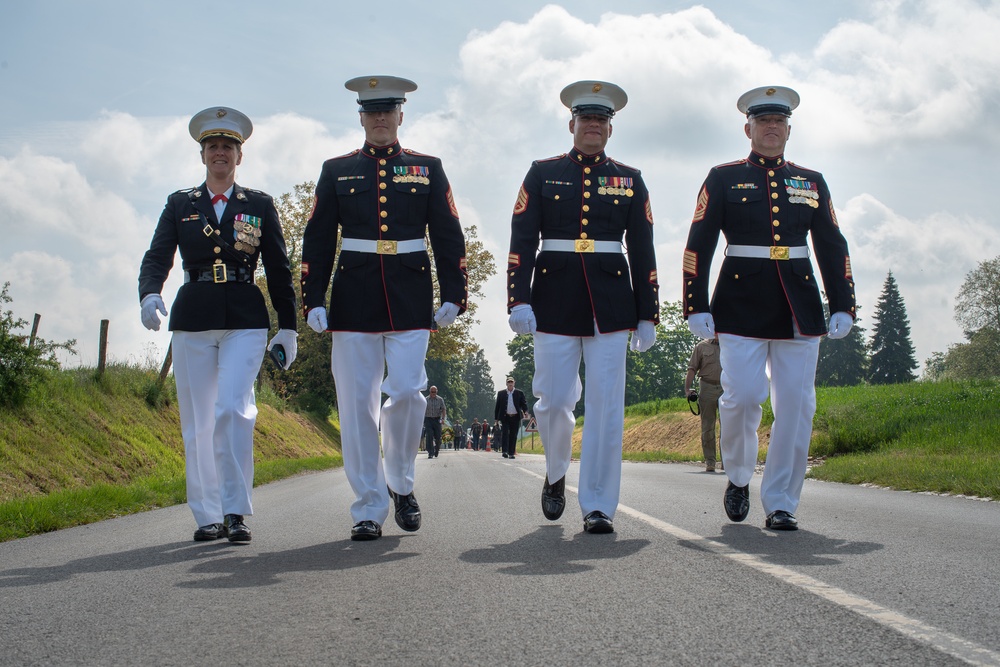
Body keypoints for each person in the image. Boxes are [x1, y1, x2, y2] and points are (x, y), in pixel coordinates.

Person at [301, 76, 468, 541]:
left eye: (387, 110)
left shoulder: (427, 167)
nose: (379, 118)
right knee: (356, 407)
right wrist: (312, 297)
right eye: (371, 111)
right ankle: (368, 507)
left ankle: (401, 481)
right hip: (353, 299)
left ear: (400, 115)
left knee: (409, 394)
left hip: (411, 296)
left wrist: (455, 293)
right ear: (360, 118)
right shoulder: (336, 170)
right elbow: (316, 239)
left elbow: (448, 233)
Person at [682, 85, 856, 531]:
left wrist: (843, 303)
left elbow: (832, 244)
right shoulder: (723, 178)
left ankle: (781, 501)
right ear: (749, 129)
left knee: (797, 407)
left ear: (789, 129)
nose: (772, 128)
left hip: (799, 303)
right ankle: (739, 476)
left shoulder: (810, 181)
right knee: (742, 397)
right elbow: (699, 242)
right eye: (763, 122)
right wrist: (694, 303)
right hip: (740, 303)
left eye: (779, 122)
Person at [138, 106, 298, 543]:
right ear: (203, 155)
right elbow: (157, 256)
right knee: (198, 421)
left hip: (246, 318)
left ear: (239, 156)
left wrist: (289, 325)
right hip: (193, 317)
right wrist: (150, 291)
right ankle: (207, 515)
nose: (220, 153)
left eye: (228, 147)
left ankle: (236, 511)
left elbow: (279, 268)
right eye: (213, 147)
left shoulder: (260, 205)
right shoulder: (179, 204)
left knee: (233, 409)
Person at [507, 80, 659, 534]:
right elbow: (521, 241)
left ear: (610, 129)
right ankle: (555, 474)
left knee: (608, 408)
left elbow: (645, 249)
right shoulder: (542, 172)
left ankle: (597, 504)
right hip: (552, 300)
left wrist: (648, 312)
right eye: (586, 118)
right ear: (571, 123)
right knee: (553, 402)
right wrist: (519, 298)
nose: (593, 125)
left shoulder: (630, 179)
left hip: (612, 305)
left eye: (601, 119)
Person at [684, 336, 723, 472]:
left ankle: (727, 461)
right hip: (707, 387)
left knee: (728, 427)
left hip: (727, 388)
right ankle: (710, 461)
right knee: (708, 426)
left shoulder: (731, 345)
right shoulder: (701, 346)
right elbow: (692, 368)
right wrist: (687, 389)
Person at [494, 377, 528, 459]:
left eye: (511, 382)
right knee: (505, 433)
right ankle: (505, 451)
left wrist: (525, 411)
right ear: (506, 383)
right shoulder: (501, 393)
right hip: (505, 417)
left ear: (514, 383)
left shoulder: (519, 393)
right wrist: (496, 419)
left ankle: (511, 452)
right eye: (508, 382)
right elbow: (497, 407)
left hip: (515, 416)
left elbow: (524, 403)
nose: (510, 383)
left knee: (513, 435)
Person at [423, 385, 446, 458]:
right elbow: (422, 409)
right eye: (432, 392)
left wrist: (442, 418)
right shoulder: (425, 399)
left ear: (437, 391)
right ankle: (430, 452)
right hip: (428, 419)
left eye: (434, 392)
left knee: (438, 437)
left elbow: (443, 409)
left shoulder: (440, 399)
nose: (433, 393)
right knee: (429, 435)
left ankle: (437, 449)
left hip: (437, 419)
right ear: (430, 392)